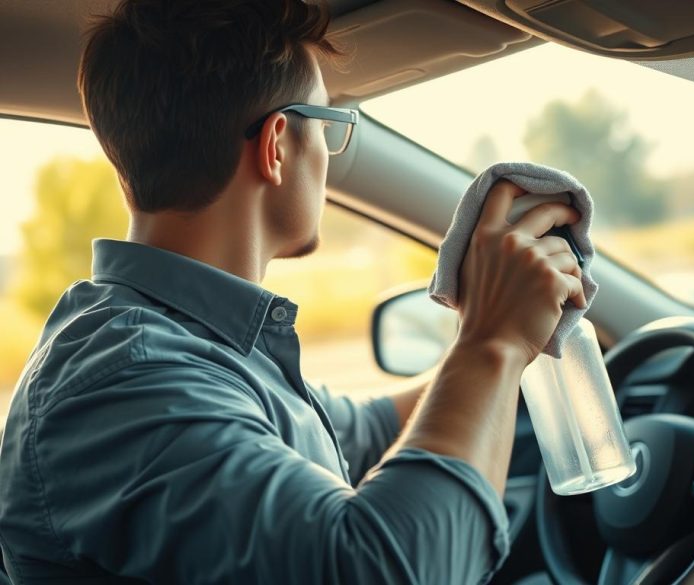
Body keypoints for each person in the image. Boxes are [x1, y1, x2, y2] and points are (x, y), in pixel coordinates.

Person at [0, 1, 585, 583]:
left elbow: (366, 431)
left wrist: (508, 329)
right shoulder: (127, 380)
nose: (328, 157)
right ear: (278, 144)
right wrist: (491, 343)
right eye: (328, 126)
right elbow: (386, 571)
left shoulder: (199, 343)